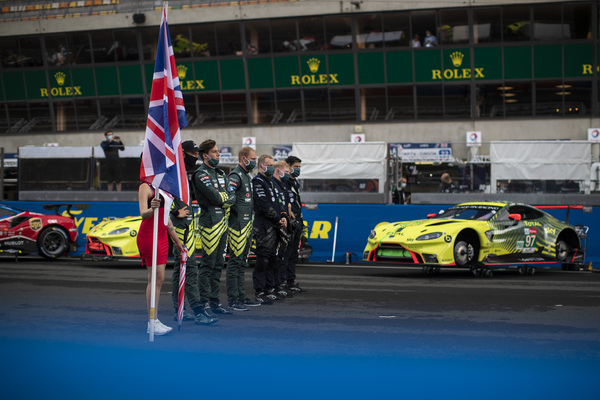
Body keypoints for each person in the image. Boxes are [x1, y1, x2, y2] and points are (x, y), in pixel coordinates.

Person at [170, 140, 217, 325]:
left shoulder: (184, 173)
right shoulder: (173, 172)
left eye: (197, 154)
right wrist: (175, 212)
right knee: (189, 269)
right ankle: (198, 311)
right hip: (178, 226)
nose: (195, 157)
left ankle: (178, 309)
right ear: (182, 153)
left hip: (187, 225)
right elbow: (161, 193)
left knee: (179, 270)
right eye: (192, 154)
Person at [191, 139, 235, 318]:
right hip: (210, 222)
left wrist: (223, 198)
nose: (218, 154)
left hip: (223, 222)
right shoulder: (200, 174)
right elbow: (216, 198)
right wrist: (223, 198)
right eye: (215, 152)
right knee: (208, 265)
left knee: (218, 265)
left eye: (218, 152)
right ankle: (204, 303)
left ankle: (215, 302)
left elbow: (231, 196)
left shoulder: (220, 173)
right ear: (205, 155)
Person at [137, 182, 185, 336]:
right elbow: (143, 213)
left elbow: (167, 219)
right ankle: (152, 321)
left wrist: (177, 241)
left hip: (162, 236)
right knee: (155, 279)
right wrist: (152, 208)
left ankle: (154, 321)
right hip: (150, 235)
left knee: (159, 279)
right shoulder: (145, 187)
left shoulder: (164, 188)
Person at [226, 147, 261, 311]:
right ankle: (233, 299)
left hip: (247, 225)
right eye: (252, 158)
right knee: (235, 263)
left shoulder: (247, 176)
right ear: (243, 158)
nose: (254, 161)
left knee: (241, 263)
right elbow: (229, 199)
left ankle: (241, 297)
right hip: (237, 226)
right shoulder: (235, 175)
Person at [252, 155, 287, 305]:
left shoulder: (271, 182)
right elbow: (262, 204)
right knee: (263, 259)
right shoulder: (257, 182)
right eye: (269, 165)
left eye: (273, 165)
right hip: (263, 226)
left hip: (274, 225)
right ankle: (259, 291)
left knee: (273, 258)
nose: (272, 167)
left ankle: (269, 288)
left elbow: (279, 202)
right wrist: (277, 218)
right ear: (261, 166)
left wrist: (283, 215)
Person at [280, 155, 306, 294]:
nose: (297, 170)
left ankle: (290, 281)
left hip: (297, 220)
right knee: (285, 252)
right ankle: (281, 282)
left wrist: (299, 213)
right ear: (288, 167)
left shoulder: (296, 182)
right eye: (295, 167)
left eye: (299, 167)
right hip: (287, 222)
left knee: (293, 254)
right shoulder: (283, 182)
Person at [271, 160, 293, 299]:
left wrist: (285, 215)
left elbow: (284, 205)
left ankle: (279, 284)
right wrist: (278, 218)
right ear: (278, 170)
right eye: (286, 172)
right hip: (272, 224)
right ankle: (272, 286)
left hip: (282, 222)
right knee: (273, 258)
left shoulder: (282, 185)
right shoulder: (271, 184)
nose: (288, 175)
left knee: (282, 256)